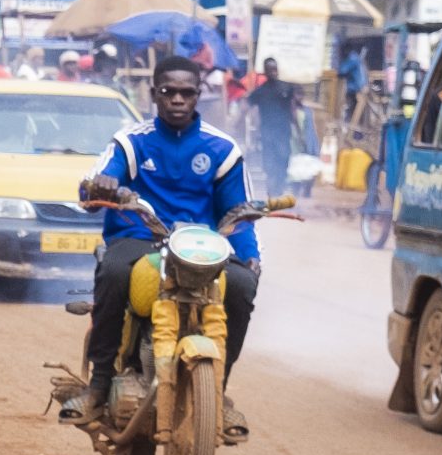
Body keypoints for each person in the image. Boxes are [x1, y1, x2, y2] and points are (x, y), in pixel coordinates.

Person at [62, 57, 260, 431]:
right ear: (154, 94)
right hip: (139, 237)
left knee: (243, 285)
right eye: (169, 92)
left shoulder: (223, 150)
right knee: (115, 272)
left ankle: (219, 390)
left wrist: (250, 258)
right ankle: (100, 384)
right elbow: (92, 186)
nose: (178, 100)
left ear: (199, 95)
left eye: (187, 93)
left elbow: (239, 215)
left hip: (198, 247)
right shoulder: (131, 142)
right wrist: (99, 186)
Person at [245, 57, 297, 197]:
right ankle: (272, 189)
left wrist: (297, 128)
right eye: (270, 70)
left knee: (284, 158)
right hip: (267, 133)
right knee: (269, 161)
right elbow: (247, 106)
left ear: (277, 70)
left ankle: (279, 186)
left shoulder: (287, 88)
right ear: (265, 72)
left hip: (283, 132)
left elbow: (292, 109)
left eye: (274, 69)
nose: (273, 72)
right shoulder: (260, 91)